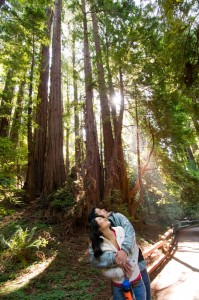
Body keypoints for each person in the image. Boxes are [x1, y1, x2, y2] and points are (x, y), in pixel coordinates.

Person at [88, 208, 151, 300]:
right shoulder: (98, 242)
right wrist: (116, 260)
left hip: (137, 266)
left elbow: (131, 235)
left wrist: (124, 251)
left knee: (145, 284)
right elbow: (96, 261)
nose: (103, 210)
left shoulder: (118, 220)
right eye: (100, 213)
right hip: (119, 283)